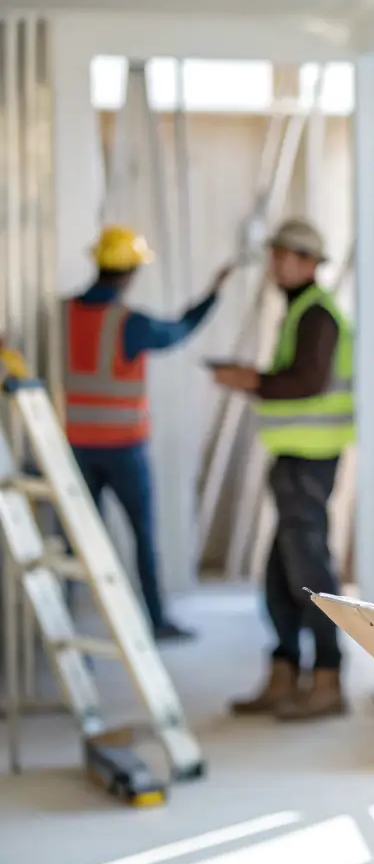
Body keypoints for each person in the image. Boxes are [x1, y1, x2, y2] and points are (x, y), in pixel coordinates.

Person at [215, 217, 354, 721]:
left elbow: (308, 382)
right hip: (295, 458)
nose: (275, 264)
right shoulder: (300, 311)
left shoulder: (318, 316)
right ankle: (285, 670)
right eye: (274, 254)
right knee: (279, 577)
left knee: (309, 571)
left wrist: (250, 379)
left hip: (310, 461)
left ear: (308, 263)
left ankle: (327, 677)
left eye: (284, 256)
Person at [64, 224, 232, 642]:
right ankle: (155, 621)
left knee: (75, 543)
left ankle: (67, 627)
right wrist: (212, 296)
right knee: (143, 537)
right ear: (129, 273)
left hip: (74, 446)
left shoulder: (61, 313)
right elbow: (177, 331)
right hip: (123, 448)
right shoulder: (128, 323)